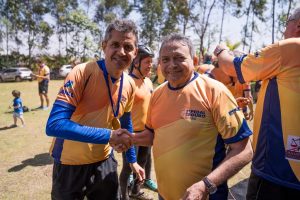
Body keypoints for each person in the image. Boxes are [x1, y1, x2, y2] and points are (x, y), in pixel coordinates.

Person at [116, 33, 253, 200]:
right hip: (165, 194)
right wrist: (131, 138)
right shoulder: (158, 93)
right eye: (165, 59)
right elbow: (152, 135)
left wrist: (206, 185)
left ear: (194, 61)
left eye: (179, 58)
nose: (171, 65)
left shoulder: (214, 91)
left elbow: (244, 150)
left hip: (205, 195)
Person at [45, 19, 144, 200]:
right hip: (69, 163)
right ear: (104, 46)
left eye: (128, 47)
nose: (121, 52)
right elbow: (55, 125)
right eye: (115, 44)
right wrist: (109, 136)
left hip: (105, 160)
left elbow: (126, 123)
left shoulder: (129, 83)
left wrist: (132, 160)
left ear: (135, 52)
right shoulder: (82, 72)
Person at [214, 7, 300, 200]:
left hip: (277, 171)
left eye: (286, 24)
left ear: (298, 27)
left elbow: (231, 66)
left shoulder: (292, 47)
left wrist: (221, 50)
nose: (284, 32)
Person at [119, 44, 157, 200]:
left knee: (142, 162)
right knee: (128, 168)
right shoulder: (127, 82)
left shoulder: (148, 81)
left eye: (151, 61)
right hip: (131, 134)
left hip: (146, 132)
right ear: (136, 63)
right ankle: (123, 196)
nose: (150, 65)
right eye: (147, 62)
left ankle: (135, 191)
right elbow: (120, 113)